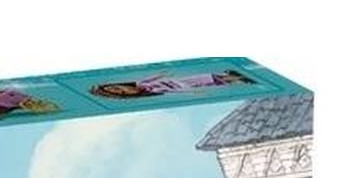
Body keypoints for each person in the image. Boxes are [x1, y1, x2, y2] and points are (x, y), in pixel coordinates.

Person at [91, 69, 255, 99]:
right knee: (208, 82)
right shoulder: (150, 91)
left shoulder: (140, 84)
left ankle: (231, 77)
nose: (120, 89)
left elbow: (151, 77)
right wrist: (190, 92)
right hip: (181, 87)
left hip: (179, 81)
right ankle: (236, 79)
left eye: (116, 86)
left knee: (206, 77)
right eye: (117, 91)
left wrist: (162, 74)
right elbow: (172, 92)